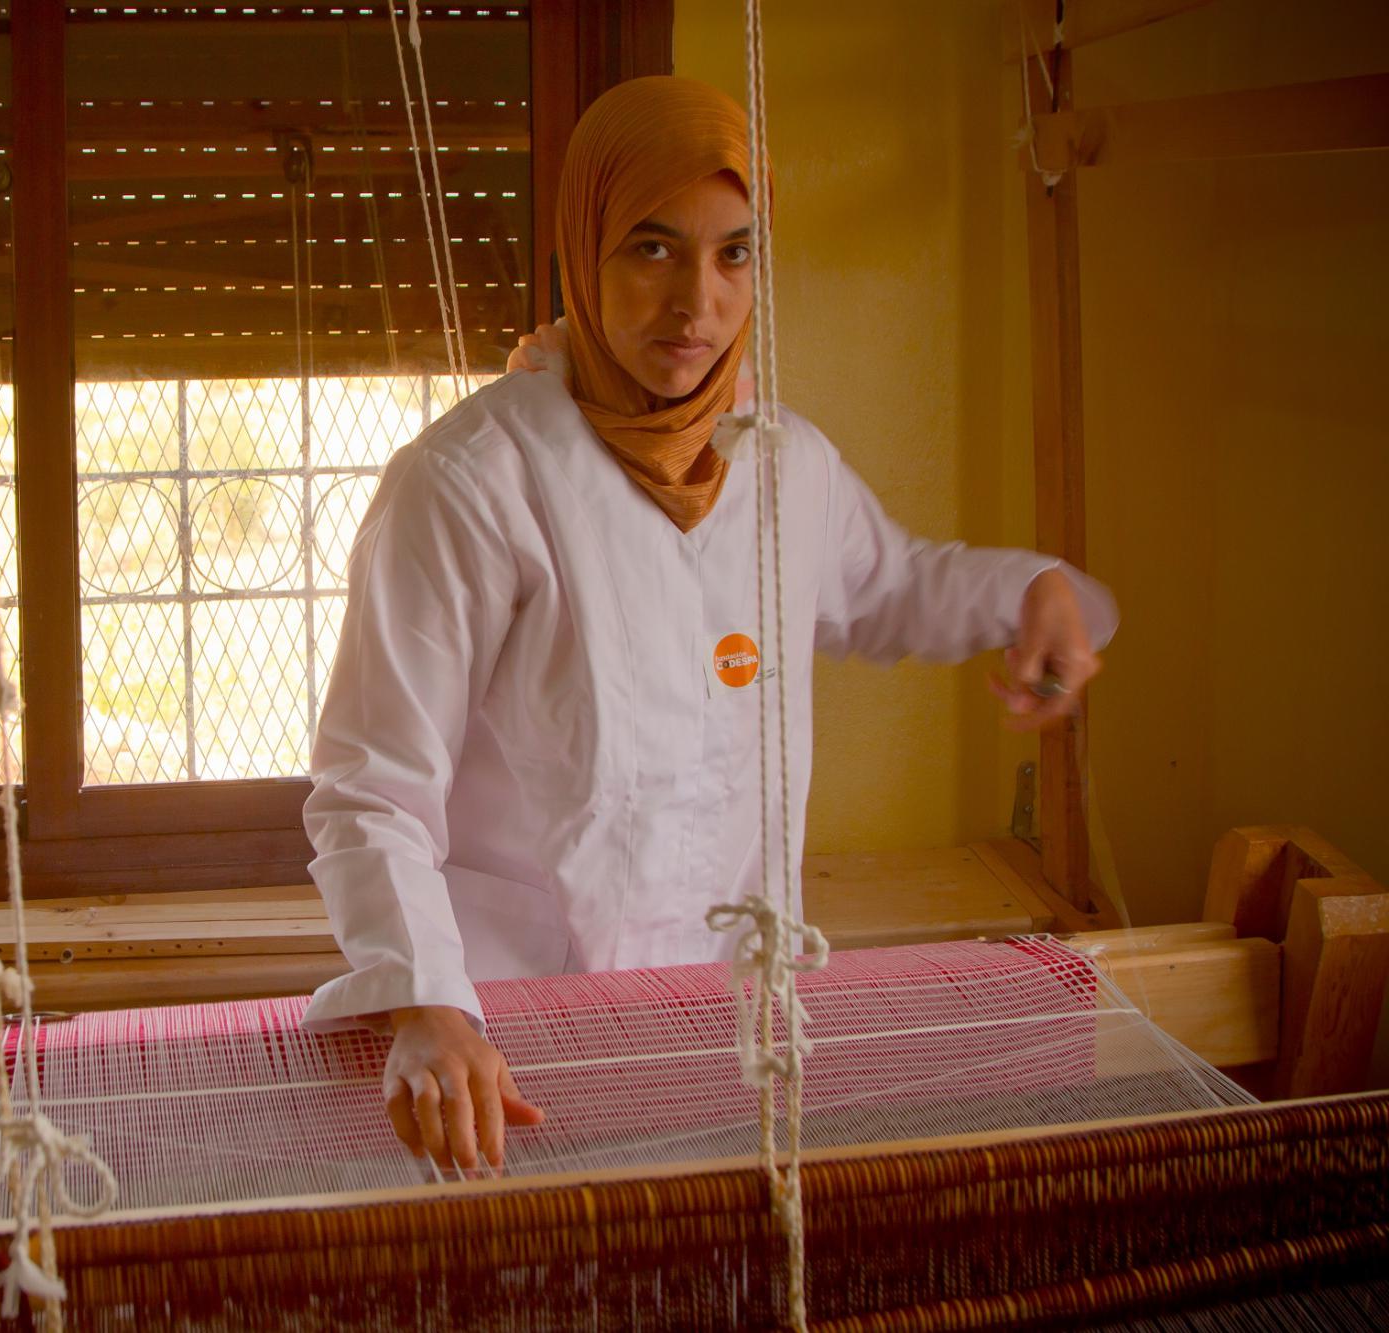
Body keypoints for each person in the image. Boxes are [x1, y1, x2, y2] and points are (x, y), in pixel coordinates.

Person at [298, 76, 1116, 1178]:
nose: (697, 303)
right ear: (581, 251)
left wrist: (1036, 592)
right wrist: (427, 1003)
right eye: (651, 248)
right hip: (511, 1044)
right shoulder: (469, 484)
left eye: (734, 254)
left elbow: (891, 588)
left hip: (725, 1032)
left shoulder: (783, 464)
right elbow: (374, 787)